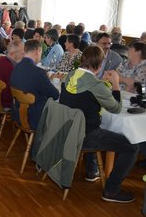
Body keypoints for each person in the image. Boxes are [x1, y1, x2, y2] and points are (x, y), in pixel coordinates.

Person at [59, 45, 139, 203]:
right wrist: (115, 85)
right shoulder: (96, 85)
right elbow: (115, 108)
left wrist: (102, 83)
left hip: (68, 129)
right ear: (101, 65)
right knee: (132, 147)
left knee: (99, 126)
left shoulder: (71, 75)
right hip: (86, 135)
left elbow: (84, 96)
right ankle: (111, 190)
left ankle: (91, 171)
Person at [10, 40, 59, 130]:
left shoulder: (16, 66)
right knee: (59, 110)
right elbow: (55, 95)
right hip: (33, 118)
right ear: (38, 51)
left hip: (17, 112)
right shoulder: (39, 72)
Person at [0, 40, 25, 108]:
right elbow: (19, 89)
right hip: (6, 102)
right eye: (22, 53)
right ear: (12, 53)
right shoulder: (11, 68)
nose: (24, 56)